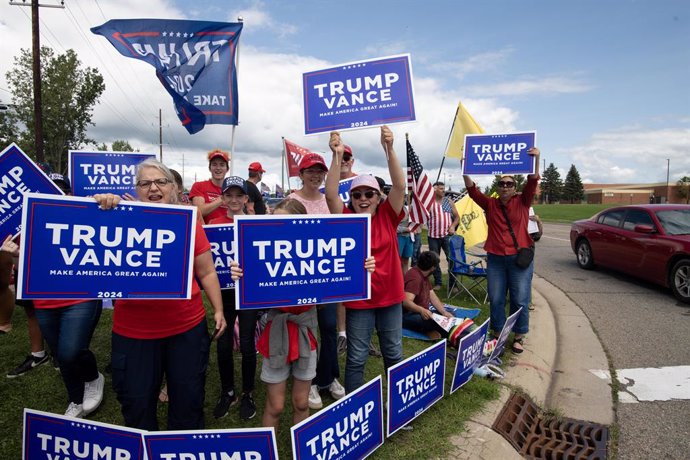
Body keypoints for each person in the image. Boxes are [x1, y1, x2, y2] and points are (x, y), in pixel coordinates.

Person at [94, 158, 227, 430]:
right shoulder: (117, 219)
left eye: (160, 182)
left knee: (188, 402)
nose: (153, 188)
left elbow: (207, 272)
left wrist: (219, 309)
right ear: (137, 189)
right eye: (145, 183)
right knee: (137, 404)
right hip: (133, 334)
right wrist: (100, 206)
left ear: (173, 188)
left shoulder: (188, 222)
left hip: (186, 329)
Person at [2, 173, 104, 418]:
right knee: (61, 353)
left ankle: (93, 377)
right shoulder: (24, 226)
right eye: (49, 189)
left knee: (71, 351)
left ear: (69, 194)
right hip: (45, 299)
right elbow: (12, 273)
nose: (55, 195)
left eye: (61, 190)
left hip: (81, 297)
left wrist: (102, 201)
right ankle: (75, 399)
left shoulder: (84, 212)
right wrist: (9, 255)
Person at [326, 126, 406, 393]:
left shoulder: (388, 214)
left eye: (369, 194)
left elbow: (400, 185)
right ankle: (354, 410)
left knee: (393, 353)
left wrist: (390, 148)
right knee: (357, 357)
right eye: (357, 195)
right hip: (360, 300)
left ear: (378, 197)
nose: (362, 199)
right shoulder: (347, 217)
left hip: (391, 296)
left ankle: (398, 408)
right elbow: (330, 195)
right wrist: (337, 156)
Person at [463, 148, 541, 353]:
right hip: (496, 258)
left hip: (519, 259)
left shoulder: (523, 201)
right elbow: (472, 191)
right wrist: (465, 168)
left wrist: (536, 158)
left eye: (509, 184)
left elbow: (533, 180)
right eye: (502, 183)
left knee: (520, 298)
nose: (505, 186)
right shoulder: (490, 204)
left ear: (515, 187)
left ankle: (519, 335)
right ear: (498, 187)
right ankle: (497, 333)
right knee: (496, 297)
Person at [286, 154, 345, 410]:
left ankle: (328, 377)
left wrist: (337, 155)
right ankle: (307, 380)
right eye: (310, 171)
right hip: (300, 278)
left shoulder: (330, 200)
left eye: (319, 171)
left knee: (329, 327)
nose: (315, 175)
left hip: (327, 276)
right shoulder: (291, 200)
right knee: (306, 331)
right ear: (301, 173)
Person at [207, 176, 260, 421]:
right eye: (229, 195)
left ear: (246, 199)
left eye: (240, 195)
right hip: (225, 295)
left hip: (248, 294)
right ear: (223, 198)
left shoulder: (255, 224)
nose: (235, 200)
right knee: (224, 342)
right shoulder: (213, 223)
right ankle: (227, 390)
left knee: (248, 343)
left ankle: (248, 392)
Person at [402, 251, 455, 339]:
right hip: (408, 316)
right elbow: (406, 302)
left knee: (449, 314)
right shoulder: (415, 278)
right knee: (432, 320)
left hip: (420, 313)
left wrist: (444, 312)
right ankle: (445, 335)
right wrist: (421, 310)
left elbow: (432, 295)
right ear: (433, 268)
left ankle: (437, 332)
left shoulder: (423, 274)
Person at [427, 181, 460, 291]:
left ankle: (453, 284)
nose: (443, 190)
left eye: (443, 188)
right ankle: (438, 282)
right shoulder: (429, 203)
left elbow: (457, 218)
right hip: (433, 236)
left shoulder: (448, 202)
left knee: (451, 259)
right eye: (441, 188)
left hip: (446, 236)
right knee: (434, 260)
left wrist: (452, 227)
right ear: (434, 190)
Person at [189, 149, 230, 223]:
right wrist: (221, 199)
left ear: (227, 169)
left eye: (222, 165)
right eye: (214, 164)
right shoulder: (199, 186)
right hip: (206, 232)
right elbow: (199, 211)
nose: (218, 168)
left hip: (227, 231)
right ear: (209, 168)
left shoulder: (232, 190)